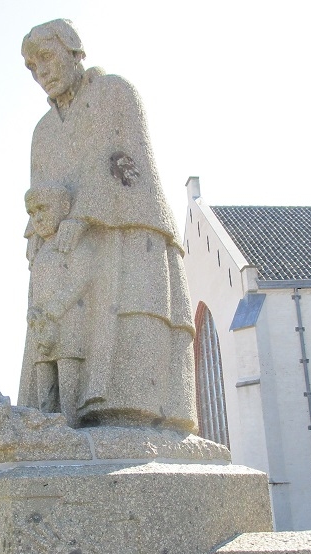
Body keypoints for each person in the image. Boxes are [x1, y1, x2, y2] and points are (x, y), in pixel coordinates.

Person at [17, 19, 197, 434]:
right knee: (57, 336)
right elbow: (37, 194)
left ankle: (129, 415)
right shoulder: (42, 132)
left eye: (45, 57)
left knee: (129, 328)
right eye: (31, 67)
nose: (40, 71)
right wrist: (34, 237)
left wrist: (83, 216)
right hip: (62, 254)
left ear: (73, 49)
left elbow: (127, 162)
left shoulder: (115, 92)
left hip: (125, 232)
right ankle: (57, 416)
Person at [23, 183, 94, 426]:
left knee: (67, 377)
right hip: (40, 327)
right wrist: (32, 312)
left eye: (43, 209)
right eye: (32, 214)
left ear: (64, 207)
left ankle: (70, 426)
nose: (38, 218)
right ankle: (48, 427)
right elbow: (33, 288)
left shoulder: (73, 243)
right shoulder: (39, 251)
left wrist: (55, 309)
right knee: (44, 380)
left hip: (68, 322)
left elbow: (81, 279)